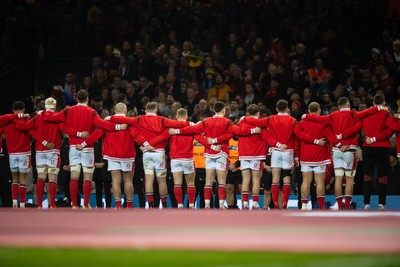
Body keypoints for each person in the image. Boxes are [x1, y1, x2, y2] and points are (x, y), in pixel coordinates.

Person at [43, 89, 127, 208]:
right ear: (87, 99)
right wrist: (118, 126)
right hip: (87, 148)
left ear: (77, 99)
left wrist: (44, 112)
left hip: (73, 148)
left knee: (74, 176)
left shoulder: (68, 111)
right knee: (87, 177)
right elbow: (102, 125)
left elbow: (53, 120)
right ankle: (86, 204)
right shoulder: (92, 112)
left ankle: (74, 205)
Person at [169, 101, 260, 209]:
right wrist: (254, 129)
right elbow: (238, 132)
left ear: (213, 110)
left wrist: (177, 131)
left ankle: (207, 205)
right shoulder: (227, 122)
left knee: (208, 181)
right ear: (224, 110)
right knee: (222, 182)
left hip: (209, 154)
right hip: (222, 153)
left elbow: (193, 129)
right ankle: (221, 205)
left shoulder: (206, 121)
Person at [303, 96, 387, 209]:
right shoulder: (353, 114)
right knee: (349, 180)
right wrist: (380, 108)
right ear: (348, 105)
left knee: (338, 179)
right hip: (349, 150)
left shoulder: (333, 115)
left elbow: (319, 119)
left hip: (337, 151)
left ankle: (339, 205)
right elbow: (367, 112)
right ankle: (347, 205)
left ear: (338, 107)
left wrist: (306, 116)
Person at [107, 101, 190, 209]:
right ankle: (164, 205)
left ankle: (150, 205)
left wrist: (110, 118)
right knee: (161, 181)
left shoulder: (140, 119)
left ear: (146, 110)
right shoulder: (162, 119)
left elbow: (124, 119)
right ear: (156, 110)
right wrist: (189, 124)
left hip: (147, 153)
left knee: (149, 180)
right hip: (159, 153)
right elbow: (178, 124)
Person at [77, 102, 149, 209]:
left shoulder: (108, 122)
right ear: (125, 111)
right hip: (127, 155)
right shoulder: (128, 122)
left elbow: (97, 135)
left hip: (112, 155)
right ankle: (129, 205)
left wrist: (83, 144)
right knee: (128, 181)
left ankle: (118, 206)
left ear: (115, 111)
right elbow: (137, 135)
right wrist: (147, 144)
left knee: (115, 181)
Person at [13, 97, 81, 208]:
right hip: (53, 152)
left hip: (40, 152)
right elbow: (67, 130)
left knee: (41, 178)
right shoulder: (57, 118)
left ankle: (39, 205)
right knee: (52, 179)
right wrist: (79, 134)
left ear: (45, 106)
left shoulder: (37, 118)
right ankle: (52, 205)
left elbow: (26, 128)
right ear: (54, 107)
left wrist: (15, 120)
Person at [147, 108, 219, 209]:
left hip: (175, 159)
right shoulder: (191, 126)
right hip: (188, 159)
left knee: (177, 183)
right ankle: (191, 204)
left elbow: (161, 138)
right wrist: (214, 147)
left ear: (176, 117)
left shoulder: (171, 128)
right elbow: (202, 140)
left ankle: (180, 205)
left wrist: (147, 144)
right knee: (190, 183)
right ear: (186, 116)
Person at [339, 94, 394, 210]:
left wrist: (340, 136)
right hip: (382, 148)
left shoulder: (367, 113)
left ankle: (366, 203)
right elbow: (392, 128)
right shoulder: (386, 113)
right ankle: (381, 204)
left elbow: (355, 129)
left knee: (367, 177)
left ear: (373, 103)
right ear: (384, 103)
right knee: (382, 177)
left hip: (368, 148)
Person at [242, 99, 298, 209]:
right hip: (288, 151)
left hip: (275, 151)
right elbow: (296, 137)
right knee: (286, 179)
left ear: (276, 109)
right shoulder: (293, 120)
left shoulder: (270, 119)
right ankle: (285, 203)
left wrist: (245, 117)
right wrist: (296, 156)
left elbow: (255, 122)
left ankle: (276, 203)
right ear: (287, 109)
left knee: (275, 179)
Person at [293, 102, 340, 210]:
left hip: (306, 156)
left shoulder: (301, 123)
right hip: (320, 156)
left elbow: (297, 136)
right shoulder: (323, 123)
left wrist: (296, 156)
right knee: (319, 182)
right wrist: (340, 144)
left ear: (308, 111)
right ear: (319, 110)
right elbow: (331, 137)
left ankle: (304, 205)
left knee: (306, 181)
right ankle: (321, 205)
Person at [236, 104, 275, 210]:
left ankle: (244, 204)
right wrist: (278, 144)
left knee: (245, 179)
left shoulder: (241, 122)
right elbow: (267, 138)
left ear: (248, 113)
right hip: (256, 155)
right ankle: (254, 204)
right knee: (256, 180)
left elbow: (238, 131)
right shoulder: (260, 124)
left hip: (244, 154)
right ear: (258, 113)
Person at [2, 101, 31, 208]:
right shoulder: (26, 120)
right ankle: (22, 204)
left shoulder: (7, 122)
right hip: (24, 153)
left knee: (14, 179)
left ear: (13, 110)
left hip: (12, 154)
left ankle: (14, 203)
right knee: (23, 179)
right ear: (23, 109)